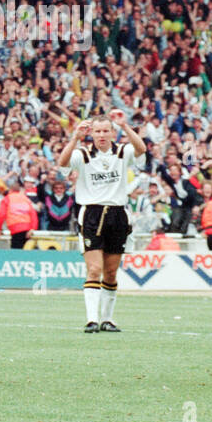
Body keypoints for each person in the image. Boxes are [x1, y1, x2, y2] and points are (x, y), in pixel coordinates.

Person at [58, 113, 146, 333]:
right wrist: (74, 138)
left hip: (117, 213)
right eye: (97, 131)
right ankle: (91, 320)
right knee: (94, 269)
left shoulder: (122, 151)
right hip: (92, 213)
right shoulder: (83, 154)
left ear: (112, 131)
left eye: (106, 130)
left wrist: (126, 126)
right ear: (92, 133)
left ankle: (107, 319)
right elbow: (62, 163)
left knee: (111, 272)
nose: (102, 135)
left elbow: (141, 149)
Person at [0, 177, 40, 249]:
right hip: (28, 228)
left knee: (16, 252)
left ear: (10, 190)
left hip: (15, 228)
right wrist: (33, 228)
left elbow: (1, 215)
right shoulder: (25, 198)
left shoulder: (7, 199)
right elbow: (33, 214)